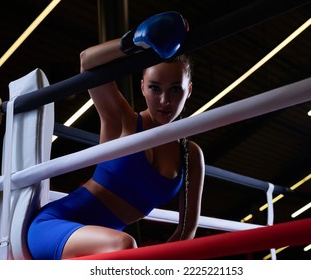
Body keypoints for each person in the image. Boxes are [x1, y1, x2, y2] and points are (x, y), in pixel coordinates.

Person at [27, 11, 205, 260]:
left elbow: (186, 231)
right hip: (57, 226)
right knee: (125, 246)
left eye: (176, 89)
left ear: (189, 91)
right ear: (143, 86)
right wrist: (135, 42)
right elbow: (87, 61)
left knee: (124, 250)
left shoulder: (191, 154)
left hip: (109, 245)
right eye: (155, 88)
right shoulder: (121, 120)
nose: (165, 101)